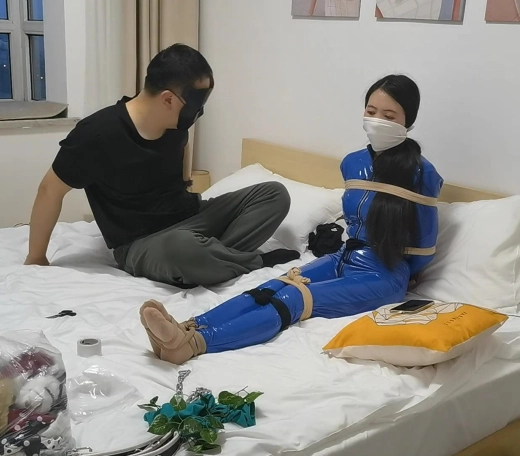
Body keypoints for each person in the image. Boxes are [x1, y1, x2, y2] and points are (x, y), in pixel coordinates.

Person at [139, 74, 444, 364]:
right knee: (273, 286)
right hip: (344, 256)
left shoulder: (422, 174)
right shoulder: (353, 163)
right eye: (371, 111)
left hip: (383, 274)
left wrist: (398, 267)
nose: (377, 121)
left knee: (294, 298)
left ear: (408, 121)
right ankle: (187, 328)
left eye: (389, 116)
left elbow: (423, 250)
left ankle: (194, 344)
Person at [24, 44, 299, 288]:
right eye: (197, 102)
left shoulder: (176, 127)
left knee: (275, 194)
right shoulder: (97, 134)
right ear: (168, 99)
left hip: (191, 217)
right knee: (183, 249)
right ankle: (249, 261)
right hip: (141, 242)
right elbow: (50, 190)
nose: (199, 112)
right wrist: (36, 257)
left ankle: (212, 260)